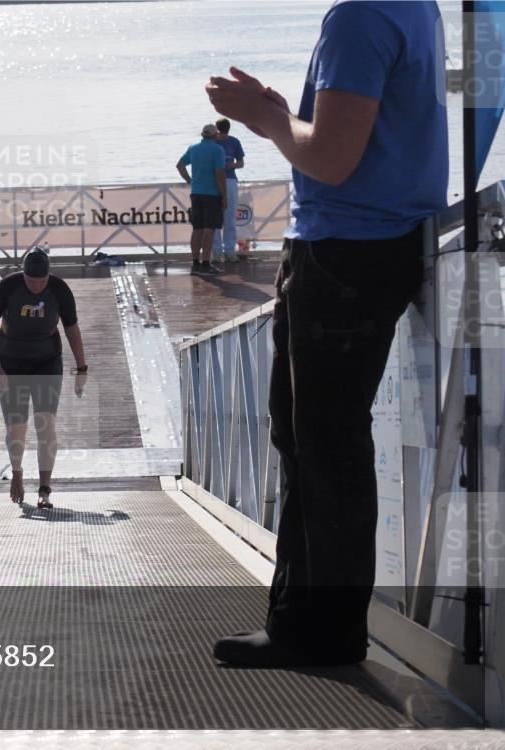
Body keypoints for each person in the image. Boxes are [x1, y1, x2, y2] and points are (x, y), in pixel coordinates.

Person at [205, 0, 448, 667]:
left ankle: (321, 631)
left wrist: (269, 121)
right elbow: (363, 134)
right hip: (379, 242)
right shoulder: (412, 7)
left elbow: (333, 161)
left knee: (322, 446)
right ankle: (309, 621)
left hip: (346, 250)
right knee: (311, 438)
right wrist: (284, 114)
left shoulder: (359, 17)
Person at [0, 247, 88, 508]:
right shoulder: (8, 287)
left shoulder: (59, 289)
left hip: (46, 360)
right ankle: (17, 473)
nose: (37, 286)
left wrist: (81, 368)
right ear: (23, 274)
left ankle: (44, 489)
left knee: (45, 425)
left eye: (42, 281)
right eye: (31, 281)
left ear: (48, 276)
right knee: (16, 427)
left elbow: (72, 330)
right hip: (10, 361)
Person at [177, 124, 227, 275]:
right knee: (209, 229)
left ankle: (195, 263)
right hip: (211, 194)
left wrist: (190, 181)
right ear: (215, 135)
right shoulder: (218, 150)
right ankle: (206, 263)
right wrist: (224, 196)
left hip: (196, 193)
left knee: (197, 229)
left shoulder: (193, 148)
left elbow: (180, 165)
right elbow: (219, 174)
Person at [211, 118, 245, 263]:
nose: (223, 135)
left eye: (225, 133)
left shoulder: (234, 142)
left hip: (230, 179)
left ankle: (230, 251)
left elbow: (241, 163)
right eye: (221, 132)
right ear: (217, 130)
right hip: (213, 181)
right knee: (215, 217)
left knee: (230, 216)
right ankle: (216, 252)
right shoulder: (212, 142)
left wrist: (233, 165)